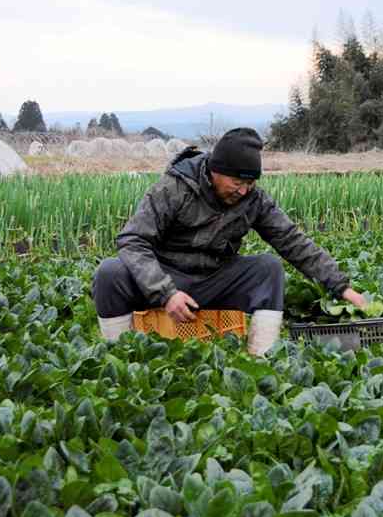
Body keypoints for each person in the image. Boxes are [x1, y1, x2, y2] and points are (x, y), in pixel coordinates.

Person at [91, 127, 367, 355]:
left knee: (268, 268)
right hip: (169, 276)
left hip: (215, 279)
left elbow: (292, 240)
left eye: (250, 183)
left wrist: (341, 287)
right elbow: (133, 239)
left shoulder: (253, 200)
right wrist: (165, 292)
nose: (244, 190)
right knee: (110, 273)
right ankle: (121, 357)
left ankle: (261, 357)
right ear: (215, 170)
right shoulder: (174, 188)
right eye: (237, 181)